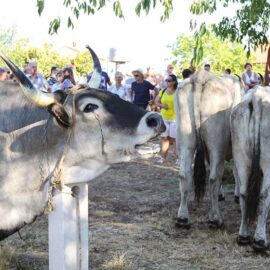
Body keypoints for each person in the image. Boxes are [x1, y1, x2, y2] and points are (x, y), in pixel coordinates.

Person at [154, 74, 178, 164]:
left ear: (174, 82)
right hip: (164, 118)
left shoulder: (177, 92)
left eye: (169, 80)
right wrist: (162, 105)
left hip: (175, 118)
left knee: (174, 139)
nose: (167, 82)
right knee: (164, 138)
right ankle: (163, 157)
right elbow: (156, 101)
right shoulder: (163, 91)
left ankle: (178, 158)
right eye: (166, 80)